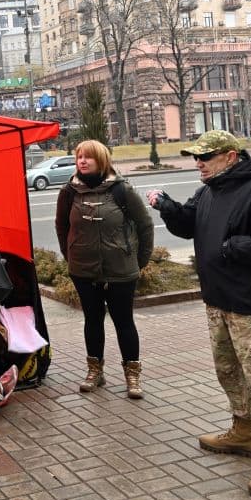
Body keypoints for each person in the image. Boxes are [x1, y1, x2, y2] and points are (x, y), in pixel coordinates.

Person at [147, 130, 251, 499]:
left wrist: (236, 246)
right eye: (195, 156)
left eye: (206, 156)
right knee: (229, 371)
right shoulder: (208, 191)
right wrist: (167, 207)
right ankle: (243, 432)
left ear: (231, 157)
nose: (197, 163)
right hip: (218, 302)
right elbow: (189, 224)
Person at [55, 139, 154, 399]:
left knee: (124, 322)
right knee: (92, 319)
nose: (82, 161)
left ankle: (132, 375)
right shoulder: (69, 192)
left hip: (121, 269)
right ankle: (95, 372)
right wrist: (71, 257)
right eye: (79, 157)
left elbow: (145, 225)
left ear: (102, 160)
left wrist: (139, 261)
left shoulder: (121, 190)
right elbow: (62, 228)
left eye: (88, 157)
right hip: (83, 270)